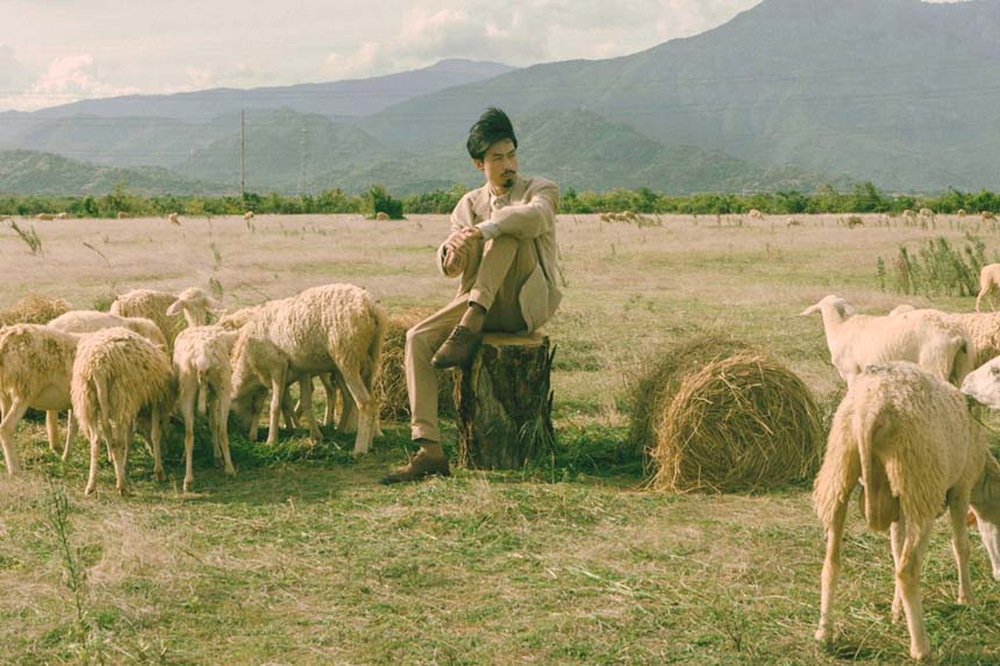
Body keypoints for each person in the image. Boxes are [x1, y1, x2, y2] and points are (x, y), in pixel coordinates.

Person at [382, 107, 562, 483]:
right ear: (479, 163)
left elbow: (535, 218)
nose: (508, 164)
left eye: (511, 154)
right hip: (474, 305)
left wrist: (485, 230)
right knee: (416, 338)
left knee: (512, 227)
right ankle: (428, 448)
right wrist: (454, 252)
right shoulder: (467, 204)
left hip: (523, 304)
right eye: (497, 158)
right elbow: (450, 266)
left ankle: (473, 318)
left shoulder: (541, 189)